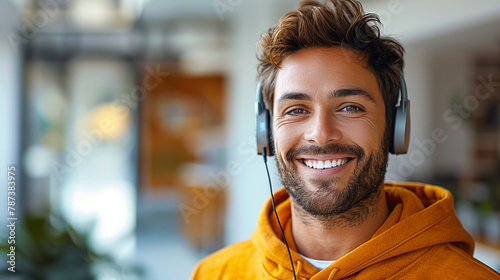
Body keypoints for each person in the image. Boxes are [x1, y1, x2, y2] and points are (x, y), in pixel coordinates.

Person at [191, 0, 500, 279]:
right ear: (266, 132)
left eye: (350, 107)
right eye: (296, 109)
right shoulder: (215, 273)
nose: (321, 134)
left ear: (394, 127)